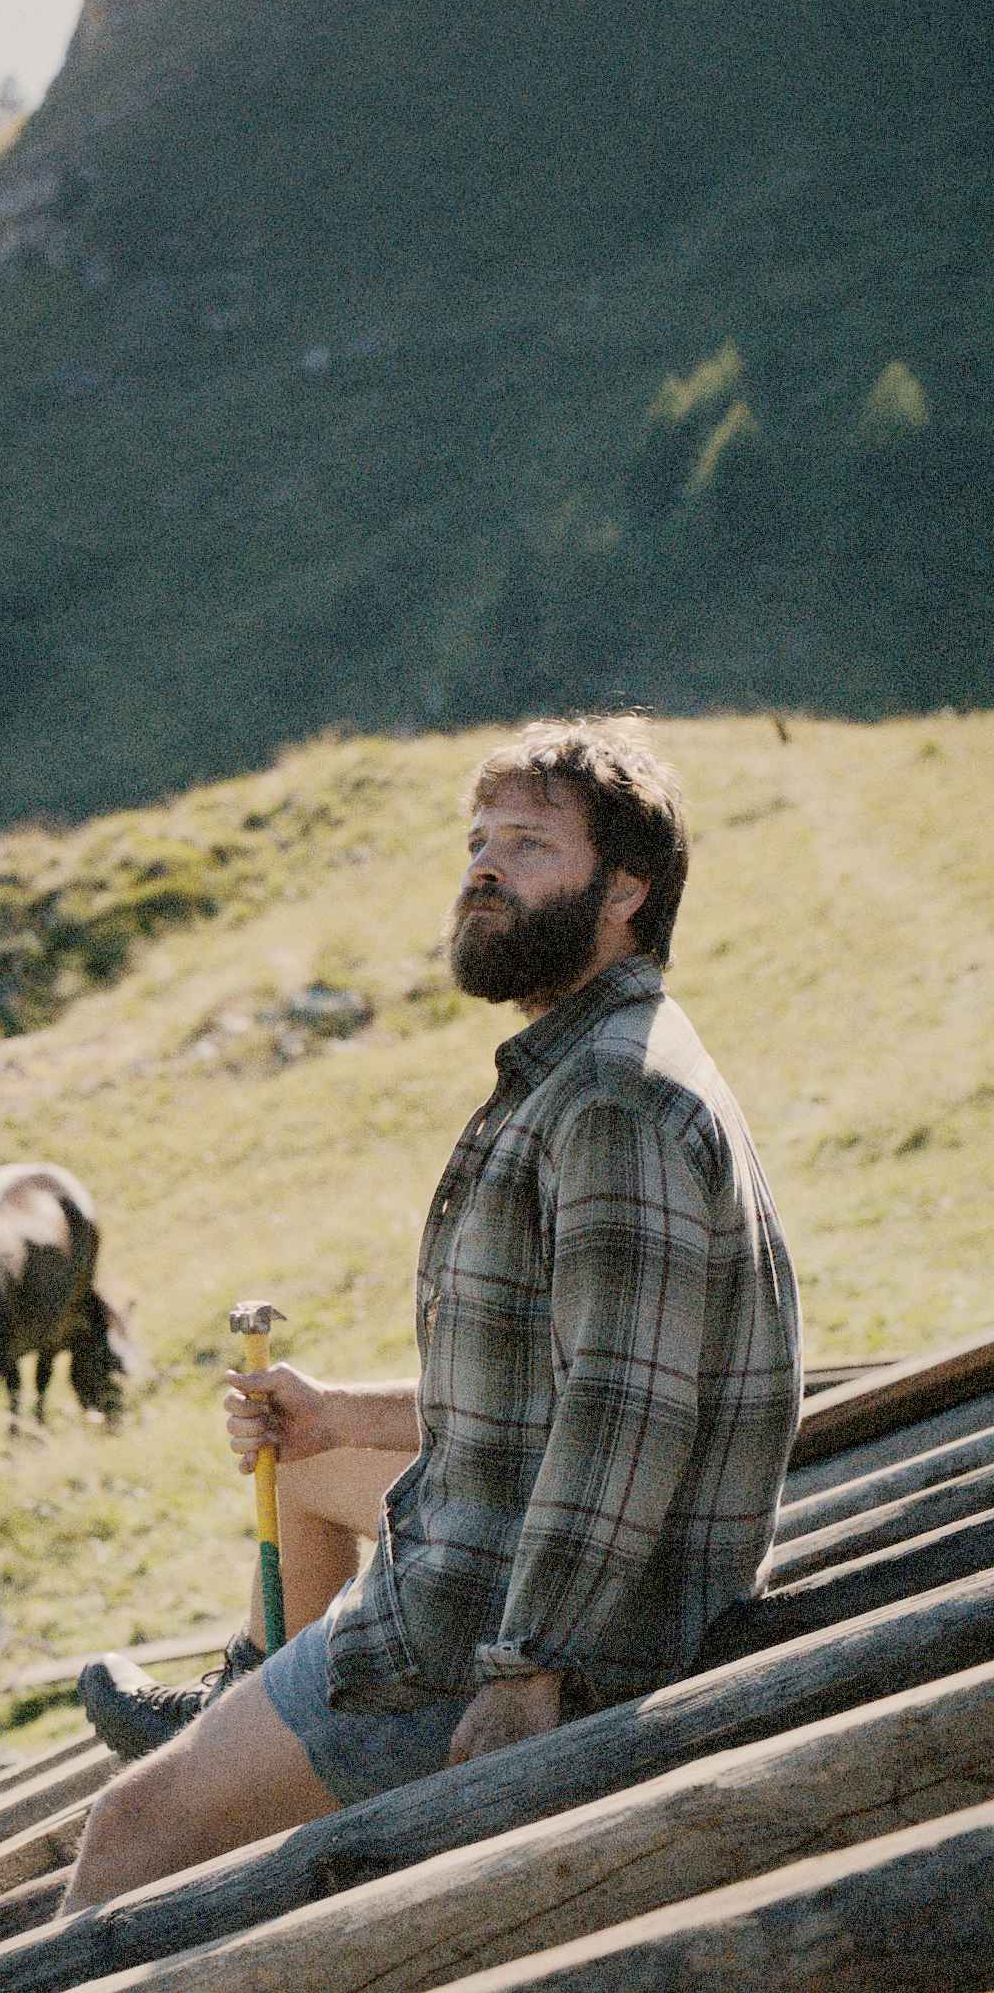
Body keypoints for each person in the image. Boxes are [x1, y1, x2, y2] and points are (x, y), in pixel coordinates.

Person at [61, 717, 801, 1911]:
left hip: (526, 1623)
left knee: (126, 1836)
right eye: (478, 842)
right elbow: (548, 1383)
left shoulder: (611, 1099)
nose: (485, 868)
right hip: (529, 1549)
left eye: (529, 844)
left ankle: (252, 1780)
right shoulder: (593, 1060)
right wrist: (336, 1415)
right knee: (309, 1470)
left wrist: (529, 1669)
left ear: (627, 890)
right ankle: (247, 1709)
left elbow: (622, 1415)